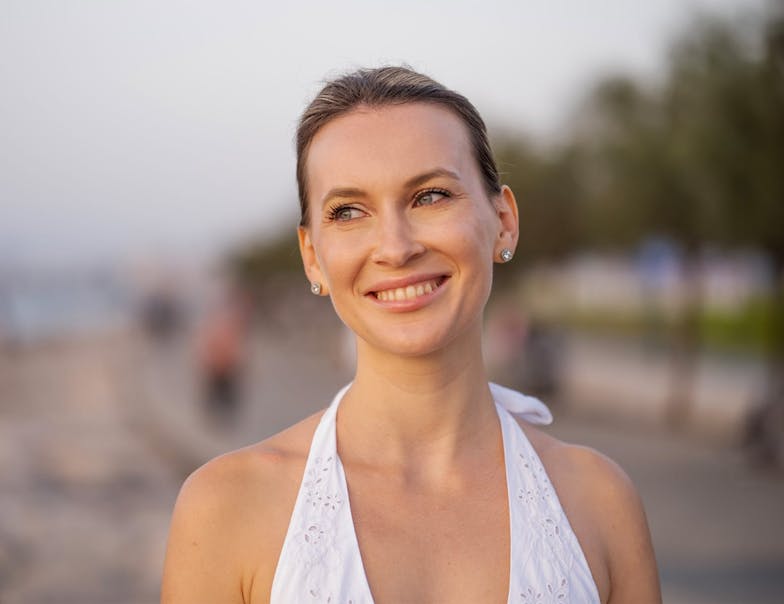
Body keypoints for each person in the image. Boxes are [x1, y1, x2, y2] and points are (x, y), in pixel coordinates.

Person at [161, 66, 661, 603]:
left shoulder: (600, 502)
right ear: (313, 257)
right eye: (349, 212)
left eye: (430, 196)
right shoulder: (226, 509)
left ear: (503, 220)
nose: (395, 248)